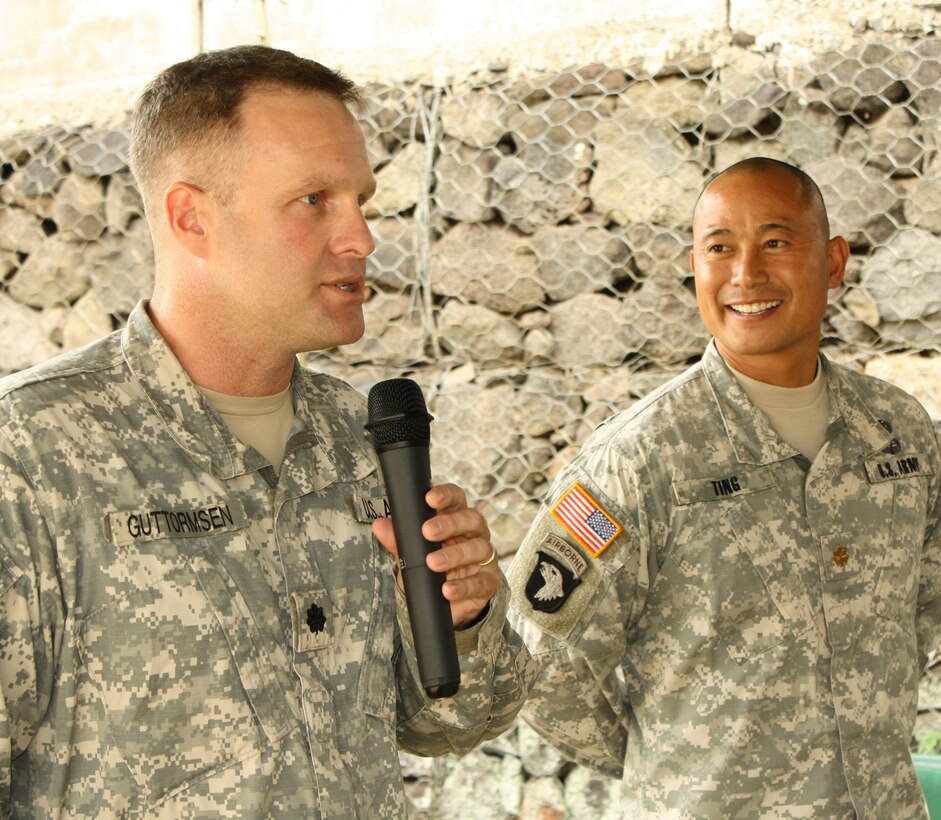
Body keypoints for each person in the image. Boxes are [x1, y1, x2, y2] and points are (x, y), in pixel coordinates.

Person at [0, 45, 534, 817]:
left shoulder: (364, 438)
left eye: (362, 201)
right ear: (191, 219)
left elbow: (448, 722)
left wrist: (468, 617)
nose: (361, 239)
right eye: (315, 199)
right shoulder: (32, 454)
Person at [508, 157, 941, 818]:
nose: (745, 275)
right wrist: (672, 759)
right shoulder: (639, 458)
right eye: (719, 248)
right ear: (693, 266)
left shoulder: (897, 434)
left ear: (832, 261)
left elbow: (923, 609)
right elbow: (542, 665)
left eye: (775, 242)